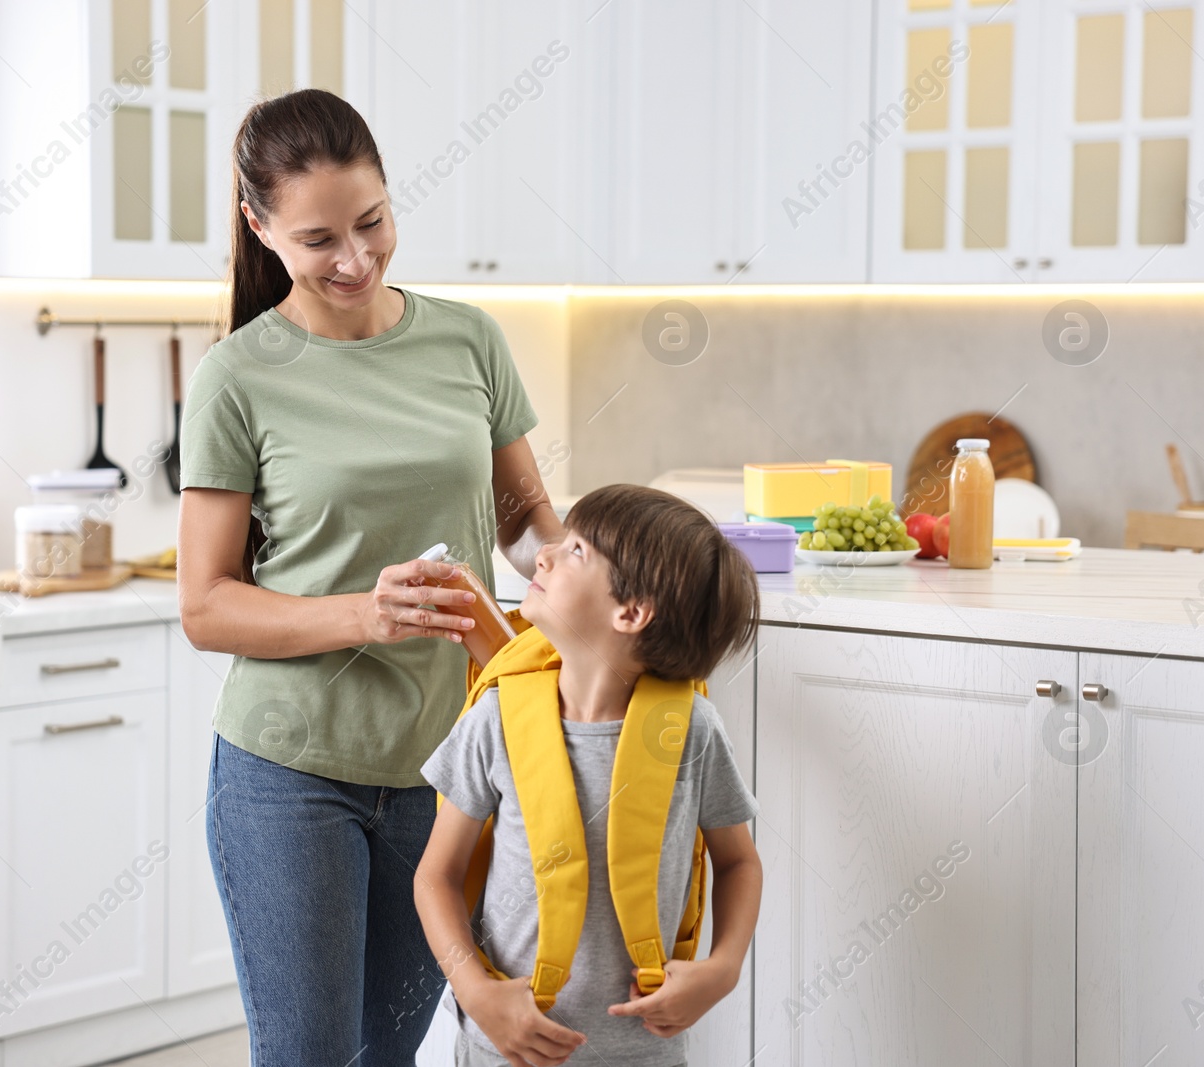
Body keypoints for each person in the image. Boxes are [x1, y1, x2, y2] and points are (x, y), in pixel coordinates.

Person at [175, 88, 566, 1066]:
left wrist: (580, 570)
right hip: (289, 771)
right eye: (316, 240)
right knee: (309, 1055)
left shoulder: (467, 338)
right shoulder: (238, 375)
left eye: (372, 223)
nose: (352, 259)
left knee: (387, 1054)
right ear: (261, 228)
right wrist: (369, 611)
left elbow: (522, 522)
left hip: (446, 769)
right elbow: (205, 603)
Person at [415, 484, 765, 1067]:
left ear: (630, 613)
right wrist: (477, 996)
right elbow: (437, 878)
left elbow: (739, 862)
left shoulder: (692, 733)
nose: (546, 553)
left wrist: (723, 970)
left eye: (576, 550)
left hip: (644, 1053)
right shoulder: (495, 720)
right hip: (507, 1047)